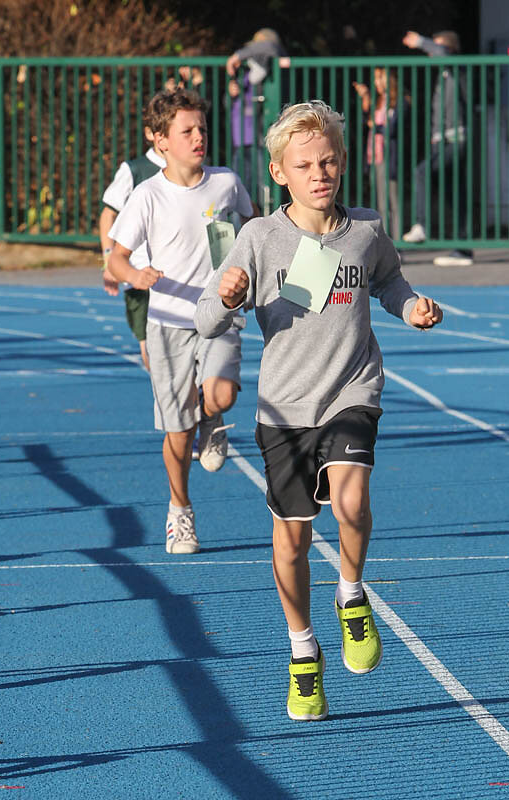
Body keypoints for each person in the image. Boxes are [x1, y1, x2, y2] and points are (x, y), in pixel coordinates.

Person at [195, 100, 443, 720]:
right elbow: (206, 320)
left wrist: (411, 306)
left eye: (327, 161)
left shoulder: (365, 230)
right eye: (304, 165)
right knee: (292, 541)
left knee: (353, 502)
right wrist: (227, 295)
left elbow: (389, 281)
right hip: (284, 408)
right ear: (279, 173)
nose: (319, 174)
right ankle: (303, 652)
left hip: (352, 390)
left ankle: (351, 594)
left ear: (342, 161)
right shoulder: (259, 237)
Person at [107, 89, 254, 555]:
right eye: (186, 131)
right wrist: (136, 276)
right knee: (177, 430)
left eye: (202, 129)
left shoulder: (226, 182)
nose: (198, 138)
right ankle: (180, 511)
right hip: (168, 321)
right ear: (161, 140)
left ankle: (212, 414)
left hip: (219, 313)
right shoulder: (147, 195)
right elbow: (116, 258)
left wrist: (248, 275)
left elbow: (253, 227)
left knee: (222, 394)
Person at [402, 30, 473, 267]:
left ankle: (422, 225)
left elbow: (442, 52)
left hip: (454, 139)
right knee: (456, 194)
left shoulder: (456, 68)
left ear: (450, 49)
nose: (432, 52)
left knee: (421, 172)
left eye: (438, 47)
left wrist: (421, 42)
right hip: (443, 139)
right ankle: (463, 250)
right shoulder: (445, 74)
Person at [99, 123, 166, 370]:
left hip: (180, 273)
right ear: (150, 133)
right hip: (139, 273)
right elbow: (108, 215)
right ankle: (163, 390)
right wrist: (109, 261)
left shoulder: (196, 169)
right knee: (149, 346)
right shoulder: (135, 170)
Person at [226, 29, 289, 208]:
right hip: (240, 138)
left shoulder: (269, 67)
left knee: (265, 188)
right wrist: (230, 94)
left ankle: (267, 217)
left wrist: (236, 56)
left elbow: (270, 47)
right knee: (241, 189)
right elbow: (227, 104)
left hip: (261, 138)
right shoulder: (243, 71)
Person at [353, 68, 409, 240]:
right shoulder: (379, 101)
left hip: (389, 156)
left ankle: (397, 242)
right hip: (375, 155)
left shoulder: (400, 101)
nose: (376, 82)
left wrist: (375, 126)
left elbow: (392, 129)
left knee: (394, 201)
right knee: (381, 203)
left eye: (379, 78)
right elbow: (366, 121)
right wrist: (366, 98)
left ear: (387, 80)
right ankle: (386, 241)